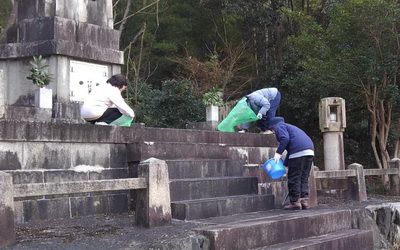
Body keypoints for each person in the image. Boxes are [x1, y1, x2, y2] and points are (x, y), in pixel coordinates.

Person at [269, 117, 314, 210]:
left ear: (273, 126)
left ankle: (295, 202)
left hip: (297, 152)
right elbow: (291, 147)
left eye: (273, 131)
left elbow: (285, 139)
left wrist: (278, 153)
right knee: (303, 177)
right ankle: (304, 201)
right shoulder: (291, 128)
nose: (274, 132)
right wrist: (284, 163)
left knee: (294, 177)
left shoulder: (279, 126)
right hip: (309, 151)